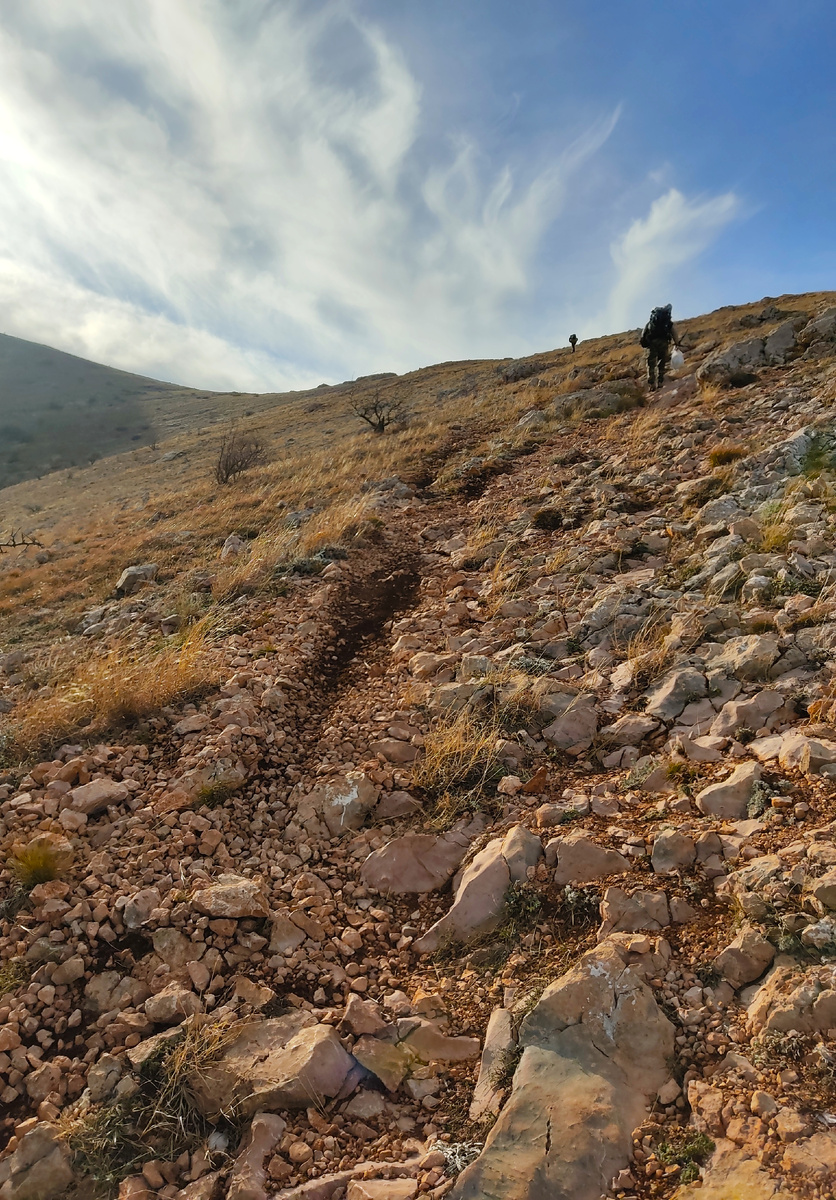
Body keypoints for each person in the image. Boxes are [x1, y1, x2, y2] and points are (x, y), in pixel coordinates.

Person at [640, 304, 682, 390]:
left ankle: (651, 384)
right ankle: (660, 381)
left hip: (652, 343)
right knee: (661, 362)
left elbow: (644, 331)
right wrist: (677, 343)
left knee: (651, 363)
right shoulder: (668, 322)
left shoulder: (651, 321)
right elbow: (674, 332)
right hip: (664, 343)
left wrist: (643, 341)